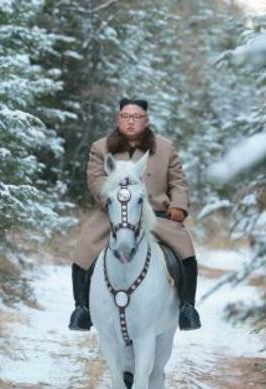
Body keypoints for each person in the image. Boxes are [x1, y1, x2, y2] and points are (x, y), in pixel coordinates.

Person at [69, 97, 201, 331]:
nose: (131, 122)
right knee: (83, 251)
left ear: (146, 120)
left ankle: (187, 308)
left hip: (157, 216)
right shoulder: (101, 148)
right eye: (126, 117)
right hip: (113, 215)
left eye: (137, 117)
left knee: (186, 254)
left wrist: (179, 205)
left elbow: (178, 182)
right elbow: (95, 180)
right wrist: (111, 200)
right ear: (118, 119)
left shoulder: (165, 148)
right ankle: (82, 309)